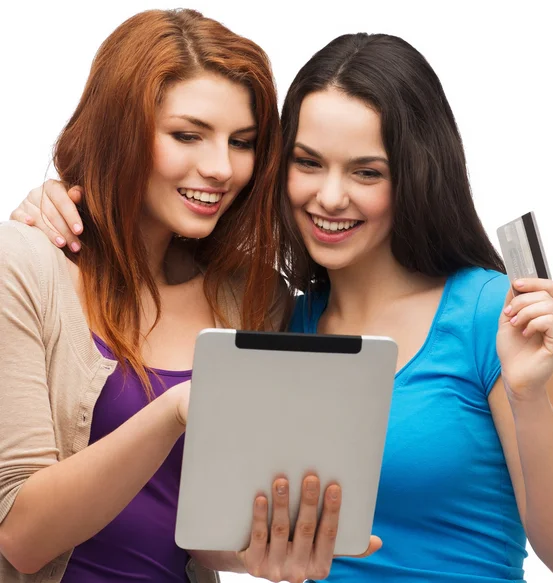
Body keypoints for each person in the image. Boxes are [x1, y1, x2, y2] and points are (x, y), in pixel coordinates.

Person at [12, 30, 553, 583]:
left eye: (367, 172)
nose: (330, 196)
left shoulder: (490, 314)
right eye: (309, 162)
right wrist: (64, 200)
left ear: (417, 176)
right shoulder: (273, 322)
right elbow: (210, 528)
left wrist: (527, 397)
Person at [0, 10, 381, 583]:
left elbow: (188, 534)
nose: (221, 168)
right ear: (120, 129)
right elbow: (22, 538)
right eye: (187, 135)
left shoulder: (253, 299)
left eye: (243, 142)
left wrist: (252, 554)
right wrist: (173, 411)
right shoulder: (26, 266)